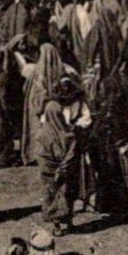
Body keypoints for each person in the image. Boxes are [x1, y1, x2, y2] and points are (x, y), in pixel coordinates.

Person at [34, 76, 90, 235]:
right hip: (61, 170)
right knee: (66, 193)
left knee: (53, 194)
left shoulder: (42, 135)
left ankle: (58, 224)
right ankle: (65, 221)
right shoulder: (68, 135)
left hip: (50, 171)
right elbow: (70, 153)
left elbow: (40, 154)